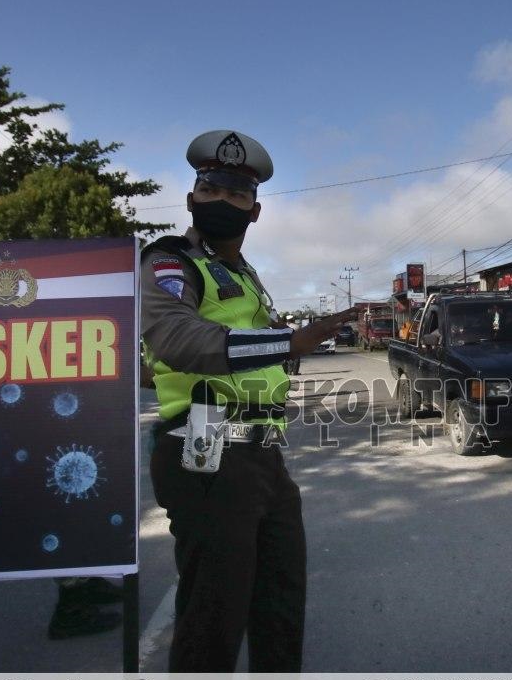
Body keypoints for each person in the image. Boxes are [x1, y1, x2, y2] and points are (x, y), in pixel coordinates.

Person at [141, 129, 358, 672]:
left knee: (280, 605)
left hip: (263, 451)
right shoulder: (171, 261)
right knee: (214, 615)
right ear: (192, 197)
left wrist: (279, 347)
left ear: (254, 212)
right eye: (211, 187)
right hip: (205, 447)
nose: (222, 200)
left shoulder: (246, 276)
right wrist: (287, 342)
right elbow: (174, 339)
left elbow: (244, 349)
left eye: (237, 193)